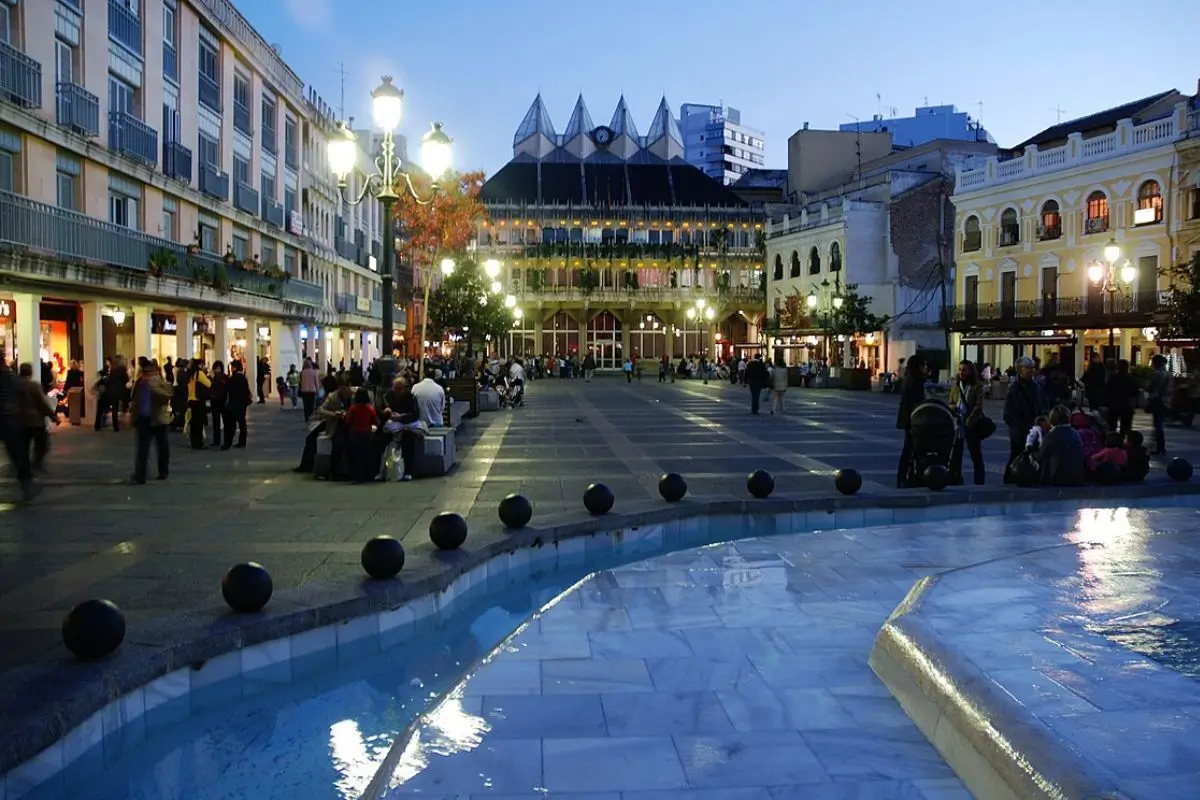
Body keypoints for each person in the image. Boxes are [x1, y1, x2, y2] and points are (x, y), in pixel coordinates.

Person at [1002, 356, 1046, 482]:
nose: (1032, 371)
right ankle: (1010, 477)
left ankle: (1029, 476)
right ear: (1020, 370)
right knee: (1016, 454)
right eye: (1028, 368)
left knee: (1034, 455)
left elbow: (1043, 404)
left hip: (1035, 428)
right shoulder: (1014, 389)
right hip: (1020, 430)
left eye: (1033, 368)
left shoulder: (1037, 387)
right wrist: (1017, 425)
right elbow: (1008, 413)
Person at [129, 361, 173, 484]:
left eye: (150, 373)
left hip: (158, 419)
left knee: (162, 446)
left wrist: (154, 388)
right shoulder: (139, 383)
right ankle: (140, 475)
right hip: (143, 419)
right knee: (142, 449)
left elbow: (167, 396)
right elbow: (134, 398)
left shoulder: (160, 382)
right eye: (144, 373)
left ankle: (163, 471)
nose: (147, 376)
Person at [948, 359, 986, 486]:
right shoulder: (956, 387)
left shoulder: (977, 386)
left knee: (975, 455)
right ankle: (955, 478)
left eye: (964, 370)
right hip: (958, 424)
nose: (961, 372)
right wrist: (953, 409)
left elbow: (978, 407)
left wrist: (969, 421)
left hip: (972, 424)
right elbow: (951, 402)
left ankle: (979, 482)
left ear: (971, 371)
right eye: (960, 370)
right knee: (956, 454)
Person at [894, 355, 929, 488]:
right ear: (919, 367)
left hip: (908, 420)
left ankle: (903, 477)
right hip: (914, 420)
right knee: (912, 449)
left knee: (908, 449)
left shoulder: (909, 380)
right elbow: (917, 403)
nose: (926, 368)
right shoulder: (916, 382)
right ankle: (908, 476)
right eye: (924, 365)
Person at [16, 363, 56, 473]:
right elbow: (42, 403)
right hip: (36, 421)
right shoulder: (34, 385)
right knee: (41, 445)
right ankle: (36, 464)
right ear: (30, 372)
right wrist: (53, 416)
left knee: (24, 445)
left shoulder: (15, 385)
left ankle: (24, 466)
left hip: (20, 420)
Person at [1038, 405, 1086, 487]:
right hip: (1076, 476)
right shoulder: (1075, 433)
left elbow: (1041, 455)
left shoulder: (1051, 435)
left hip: (1057, 477)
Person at [344, 388, 379, 483]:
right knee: (367, 455)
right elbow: (376, 421)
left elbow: (347, 421)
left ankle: (357, 476)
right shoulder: (370, 409)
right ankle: (368, 475)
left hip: (355, 434)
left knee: (356, 456)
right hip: (367, 434)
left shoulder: (353, 408)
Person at [1103, 359, 1138, 436]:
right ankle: (1122, 440)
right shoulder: (1131, 379)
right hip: (1127, 405)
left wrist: (1106, 403)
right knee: (1125, 427)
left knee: (1112, 426)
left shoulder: (1114, 378)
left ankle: (1113, 440)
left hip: (1114, 405)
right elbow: (1135, 392)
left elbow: (1108, 391)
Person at [222, 360, 252, 449]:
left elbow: (230, 390)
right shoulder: (243, 377)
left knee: (232, 424)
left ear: (235, 367)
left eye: (232, 367)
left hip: (234, 404)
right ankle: (242, 441)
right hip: (242, 403)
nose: (231, 368)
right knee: (242, 423)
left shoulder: (234, 378)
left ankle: (228, 443)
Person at [1146, 354, 1172, 455]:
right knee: (1159, 424)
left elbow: (1149, 387)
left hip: (1157, 401)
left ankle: (1159, 447)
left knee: (1158, 425)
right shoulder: (1169, 374)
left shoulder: (1156, 374)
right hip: (1166, 401)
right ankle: (1160, 446)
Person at [186, 359, 211, 449]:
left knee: (193, 423)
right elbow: (209, 384)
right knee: (199, 422)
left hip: (190, 399)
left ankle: (194, 442)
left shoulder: (189, 374)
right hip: (198, 400)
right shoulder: (199, 374)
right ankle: (199, 443)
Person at [208, 361, 228, 448]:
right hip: (216, 401)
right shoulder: (214, 377)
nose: (217, 369)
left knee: (222, 422)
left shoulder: (222, 377)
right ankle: (217, 440)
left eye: (219, 368)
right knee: (216, 422)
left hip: (221, 401)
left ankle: (222, 441)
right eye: (216, 368)